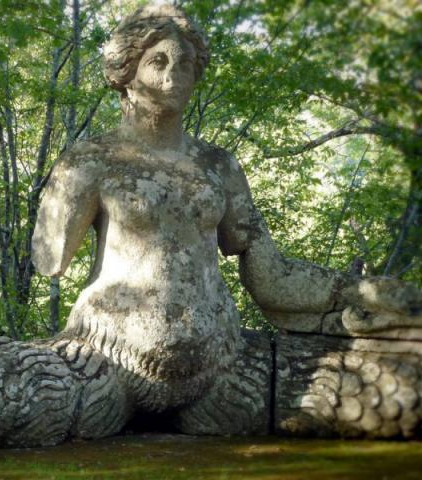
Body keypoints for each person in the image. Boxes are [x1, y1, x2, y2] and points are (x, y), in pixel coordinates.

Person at [31, 3, 422, 418]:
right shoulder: (92, 160)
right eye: (158, 62)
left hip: (221, 365)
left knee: (398, 386)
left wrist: (368, 293)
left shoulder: (218, 165)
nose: (173, 77)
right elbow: (48, 260)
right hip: (107, 361)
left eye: (184, 65)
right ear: (126, 73)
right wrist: (66, 180)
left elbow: (272, 279)